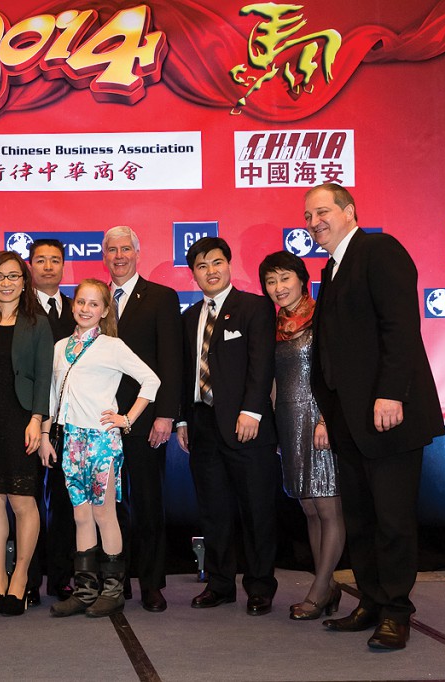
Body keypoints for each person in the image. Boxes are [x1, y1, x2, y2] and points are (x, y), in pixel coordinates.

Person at [304, 183, 445, 650]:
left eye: (322, 211)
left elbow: (401, 327)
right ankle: (369, 600)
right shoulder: (333, 266)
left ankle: (397, 612)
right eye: (308, 216)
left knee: (392, 518)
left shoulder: (379, 250)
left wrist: (390, 394)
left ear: (349, 211)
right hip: (349, 419)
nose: (313, 222)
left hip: (389, 415)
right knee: (361, 518)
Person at [40, 279, 160, 618]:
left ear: (105, 310)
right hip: (71, 440)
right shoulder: (60, 345)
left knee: (104, 514)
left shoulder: (112, 345)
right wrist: (47, 435)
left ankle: (113, 590)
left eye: (94, 304)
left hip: (102, 441)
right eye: (81, 301)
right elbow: (52, 395)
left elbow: (151, 380)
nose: (85, 309)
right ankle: (85, 590)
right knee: (80, 515)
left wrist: (128, 418)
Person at [176, 236, 280, 616]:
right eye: (202, 267)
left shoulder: (254, 308)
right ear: (194, 275)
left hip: (246, 426)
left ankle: (259, 587)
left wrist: (252, 411)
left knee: (256, 510)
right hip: (203, 425)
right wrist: (184, 418)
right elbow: (186, 373)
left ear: (229, 265)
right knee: (213, 510)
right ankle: (220, 584)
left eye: (216, 262)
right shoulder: (189, 317)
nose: (210, 271)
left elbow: (261, 364)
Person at [258, 251, 345, 621]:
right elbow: (274, 381)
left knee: (328, 506)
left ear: (302, 278)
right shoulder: (272, 324)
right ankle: (326, 585)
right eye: (271, 281)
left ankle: (319, 590)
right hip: (288, 421)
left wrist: (326, 419)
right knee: (308, 507)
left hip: (319, 419)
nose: (278, 288)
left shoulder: (323, 316)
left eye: (284, 278)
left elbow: (334, 371)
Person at [0, 251, 53, 616]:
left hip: (22, 422)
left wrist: (37, 420)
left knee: (22, 502)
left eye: (14, 276)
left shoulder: (37, 323)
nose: (6, 283)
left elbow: (45, 375)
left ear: (24, 281)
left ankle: (20, 582)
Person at [102, 226, 183, 612]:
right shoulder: (94, 300)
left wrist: (166, 414)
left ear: (138, 253)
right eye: (111, 250)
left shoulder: (162, 298)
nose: (119, 256)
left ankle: (151, 583)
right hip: (101, 422)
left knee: (148, 502)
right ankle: (116, 580)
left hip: (145, 419)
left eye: (125, 249)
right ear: (103, 256)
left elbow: (171, 359)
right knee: (108, 505)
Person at [27, 239, 76, 602]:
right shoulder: (15, 306)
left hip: (68, 421)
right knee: (24, 500)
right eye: (40, 260)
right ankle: (26, 581)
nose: (48, 267)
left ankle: (61, 577)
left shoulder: (79, 309)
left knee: (64, 502)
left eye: (55, 261)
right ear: (30, 266)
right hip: (25, 417)